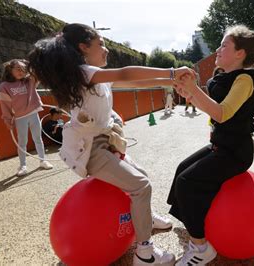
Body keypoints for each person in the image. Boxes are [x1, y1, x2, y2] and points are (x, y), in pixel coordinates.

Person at [28, 23, 195, 266]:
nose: (106, 49)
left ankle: (144, 218)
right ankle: (144, 254)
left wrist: (169, 82)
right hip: (91, 149)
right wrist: (171, 72)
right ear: (83, 47)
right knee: (141, 186)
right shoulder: (84, 72)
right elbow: (125, 73)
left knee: (142, 175)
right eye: (101, 44)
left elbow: (133, 83)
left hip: (104, 142)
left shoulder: (92, 75)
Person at [167, 26, 254, 265]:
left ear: (240, 53)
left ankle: (201, 248)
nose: (217, 50)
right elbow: (211, 109)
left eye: (223, 46)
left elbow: (222, 113)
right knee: (181, 170)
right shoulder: (224, 77)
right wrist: (189, 92)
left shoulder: (246, 78)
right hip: (220, 145)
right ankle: (193, 225)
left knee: (188, 183)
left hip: (235, 152)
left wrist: (194, 90)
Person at [0, 59, 54, 176]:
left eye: (24, 69)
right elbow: (5, 104)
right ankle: (23, 165)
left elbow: (38, 72)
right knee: (22, 141)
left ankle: (43, 160)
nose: (21, 72)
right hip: (19, 117)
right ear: (10, 69)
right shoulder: (4, 86)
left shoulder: (29, 80)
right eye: (18, 69)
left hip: (33, 113)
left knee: (38, 138)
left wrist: (28, 64)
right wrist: (7, 119)